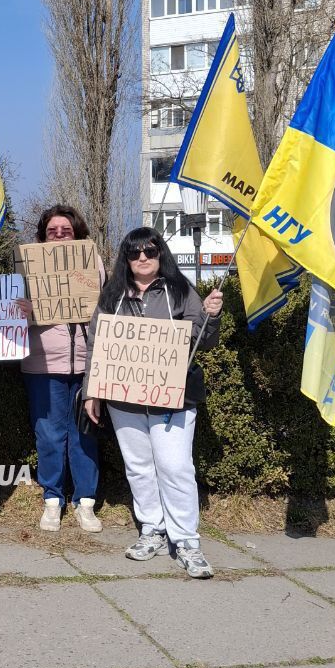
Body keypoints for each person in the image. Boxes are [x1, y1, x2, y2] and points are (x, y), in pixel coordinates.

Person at [83, 227, 223, 579]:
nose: (142, 258)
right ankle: (153, 530)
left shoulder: (180, 290)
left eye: (150, 251)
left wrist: (210, 314)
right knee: (139, 467)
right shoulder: (112, 295)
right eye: (134, 253)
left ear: (161, 254)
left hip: (172, 399)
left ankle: (187, 541)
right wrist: (91, 390)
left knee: (175, 467)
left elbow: (203, 341)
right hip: (123, 399)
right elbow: (96, 345)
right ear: (125, 259)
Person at [20, 205, 104, 534]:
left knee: (85, 432)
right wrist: (25, 310)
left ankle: (85, 502)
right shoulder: (28, 268)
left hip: (86, 362)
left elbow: (105, 309)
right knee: (49, 435)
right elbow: (13, 318)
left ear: (77, 234)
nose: (58, 236)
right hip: (43, 364)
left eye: (65, 231)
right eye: (52, 231)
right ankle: (52, 501)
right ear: (42, 237)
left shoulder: (93, 261)